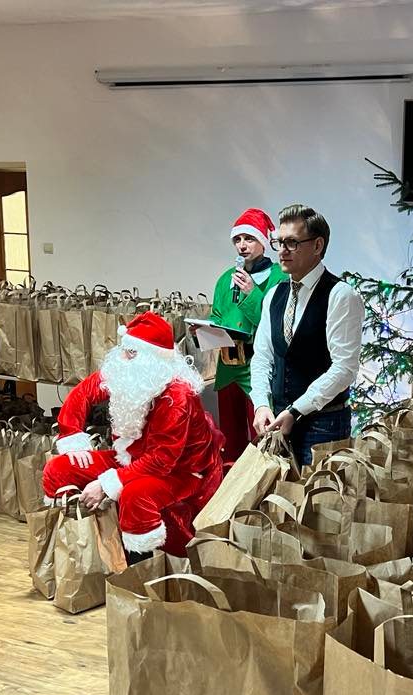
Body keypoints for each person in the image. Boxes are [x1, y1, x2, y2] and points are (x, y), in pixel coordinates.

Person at [41, 312, 223, 561]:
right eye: (124, 350)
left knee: (135, 495)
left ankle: (140, 569)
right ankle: (81, 557)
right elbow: (82, 393)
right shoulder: (126, 372)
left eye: (131, 353)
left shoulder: (177, 397)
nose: (122, 358)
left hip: (179, 472)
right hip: (130, 460)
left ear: (153, 360)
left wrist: (105, 486)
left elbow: (161, 461)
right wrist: (72, 436)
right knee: (59, 469)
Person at [250, 204, 365, 466]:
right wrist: (261, 404)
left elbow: (345, 368)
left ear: (317, 245)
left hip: (324, 424)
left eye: (291, 243)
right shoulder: (274, 295)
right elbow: (262, 357)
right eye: (279, 242)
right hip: (278, 421)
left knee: (321, 494)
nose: (282, 250)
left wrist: (297, 409)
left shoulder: (341, 295)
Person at [208, 208, 286, 468]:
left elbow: (276, 323)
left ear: (263, 241)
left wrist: (253, 293)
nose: (242, 245)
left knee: (262, 431)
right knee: (229, 436)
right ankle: (231, 481)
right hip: (228, 365)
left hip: (257, 365)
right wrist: (206, 330)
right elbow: (217, 315)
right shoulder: (225, 279)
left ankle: (263, 481)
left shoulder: (278, 277)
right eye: (237, 240)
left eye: (249, 238)